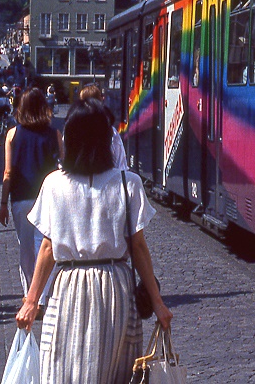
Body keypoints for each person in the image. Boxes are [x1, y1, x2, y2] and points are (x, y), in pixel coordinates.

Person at [15, 99, 171, 382]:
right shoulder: (128, 182)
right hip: (115, 288)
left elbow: (48, 248)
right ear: (107, 139)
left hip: (68, 287)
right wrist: (158, 303)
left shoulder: (53, 184)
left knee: (63, 368)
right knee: (114, 372)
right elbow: (138, 247)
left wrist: (32, 300)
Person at [0, 88, 62, 298]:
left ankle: (29, 295)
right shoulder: (55, 134)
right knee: (44, 245)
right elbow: (64, 168)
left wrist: (2, 203)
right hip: (49, 197)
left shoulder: (12, 134)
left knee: (25, 248)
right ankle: (43, 296)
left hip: (21, 197)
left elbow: (8, 172)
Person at [79, 83, 127, 169]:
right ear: (100, 101)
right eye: (101, 96)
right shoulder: (111, 131)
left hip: (78, 179)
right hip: (107, 178)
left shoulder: (73, 131)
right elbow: (121, 164)